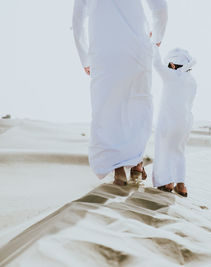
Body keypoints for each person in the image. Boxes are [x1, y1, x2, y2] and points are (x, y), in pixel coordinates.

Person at [72, 0, 168, 186]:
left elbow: (78, 22)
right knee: (138, 105)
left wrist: (85, 58)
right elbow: (160, 8)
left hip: (103, 53)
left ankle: (118, 170)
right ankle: (137, 164)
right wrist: (156, 38)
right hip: (137, 49)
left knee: (107, 110)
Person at [152, 45, 197, 197]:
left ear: (171, 64)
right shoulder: (191, 80)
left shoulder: (171, 76)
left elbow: (156, 63)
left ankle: (167, 182)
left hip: (169, 121)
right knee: (179, 152)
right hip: (185, 123)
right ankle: (181, 185)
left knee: (164, 150)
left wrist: (154, 45)